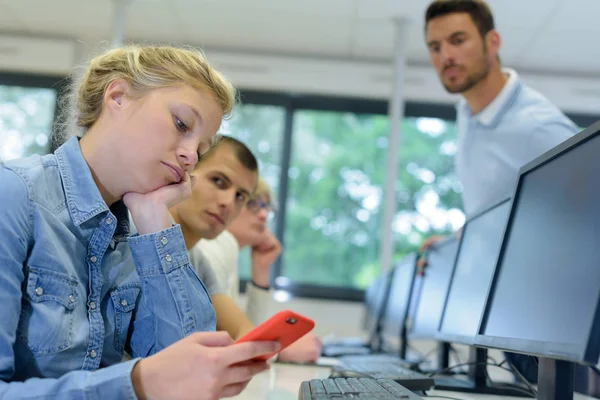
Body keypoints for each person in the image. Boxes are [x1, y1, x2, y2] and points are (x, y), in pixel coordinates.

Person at [0, 45, 279, 400]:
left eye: (201, 149)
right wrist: (137, 383)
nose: (191, 155)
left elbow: (190, 369)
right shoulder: (13, 194)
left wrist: (155, 221)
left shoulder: (137, 234)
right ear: (117, 96)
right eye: (181, 124)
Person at [422, 1, 585, 387]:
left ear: (492, 42)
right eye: (434, 46)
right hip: (513, 321)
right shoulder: (468, 112)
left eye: (458, 40)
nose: (445, 55)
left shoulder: (537, 127)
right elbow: (503, 210)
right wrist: (457, 242)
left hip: (554, 329)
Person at [171, 146, 321, 363]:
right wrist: (276, 352)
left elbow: (248, 337)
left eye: (241, 196)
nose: (228, 203)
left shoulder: (198, 259)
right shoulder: (218, 246)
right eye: (218, 181)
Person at [198, 179, 323, 363]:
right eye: (252, 204)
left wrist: (261, 269)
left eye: (266, 207)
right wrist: (280, 352)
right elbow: (218, 346)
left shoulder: (229, 254)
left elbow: (246, 331)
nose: (264, 215)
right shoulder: (213, 248)